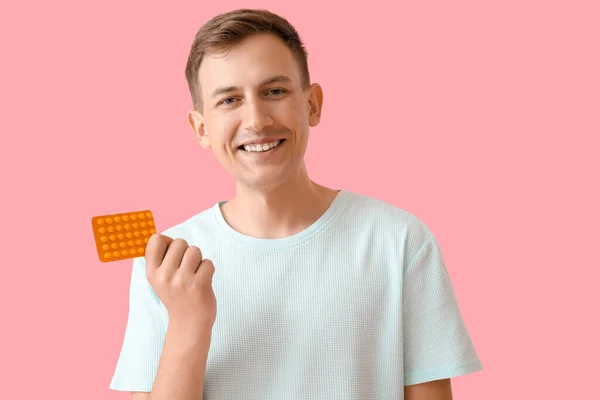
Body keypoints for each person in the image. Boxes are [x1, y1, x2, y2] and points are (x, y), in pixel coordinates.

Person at [108, 8, 483, 400]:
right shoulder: (168, 263)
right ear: (201, 128)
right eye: (229, 100)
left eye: (274, 91)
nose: (256, 119)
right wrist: (188, 323)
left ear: (312, 104)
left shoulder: (399, 240)